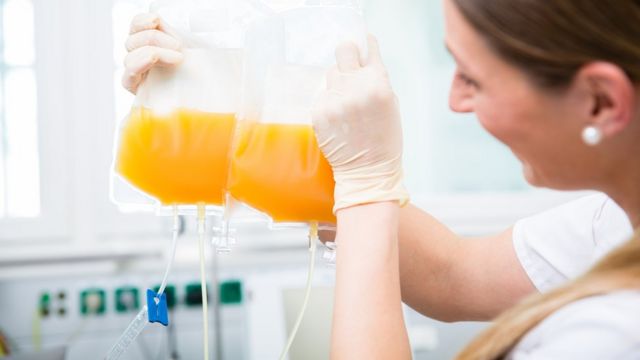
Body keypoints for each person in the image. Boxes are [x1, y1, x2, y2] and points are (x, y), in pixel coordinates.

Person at [122, 0, 640, 358]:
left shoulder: (618, 331)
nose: (455, 100)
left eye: (473, 77)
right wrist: (231, 126)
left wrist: (367, 186)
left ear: (601, 100)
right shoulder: (614, 225)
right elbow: (454, 277)